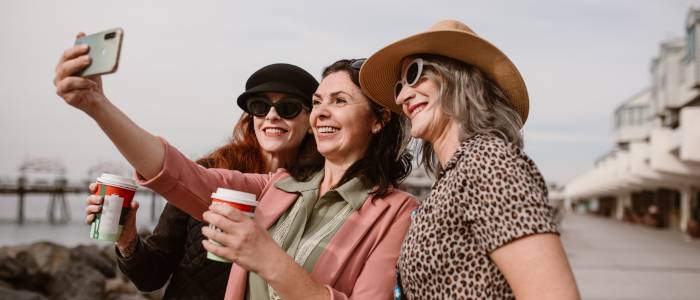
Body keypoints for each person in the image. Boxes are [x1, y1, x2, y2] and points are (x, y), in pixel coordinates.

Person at [54, 34, 417, 299]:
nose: (322, 110)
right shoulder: (277, 186)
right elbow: (176, 172)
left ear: (378, 120)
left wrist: (267, 257)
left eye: (339, 100)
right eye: (319, 100)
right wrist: (97, 105)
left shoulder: (398, 213)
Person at [359, 20, 581, 299]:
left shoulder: (489, 161)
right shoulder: (457, 172)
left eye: (415, 74)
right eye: (399, 86)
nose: (403, 95)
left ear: (462, 77)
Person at [83, 63, 319, 299]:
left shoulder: (320, 192)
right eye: (260, 106)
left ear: (311, 121)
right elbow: (151, 276)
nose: (272, 116)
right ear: (251, 117)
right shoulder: (208, 173)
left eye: (288, 108)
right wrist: (127, 240)